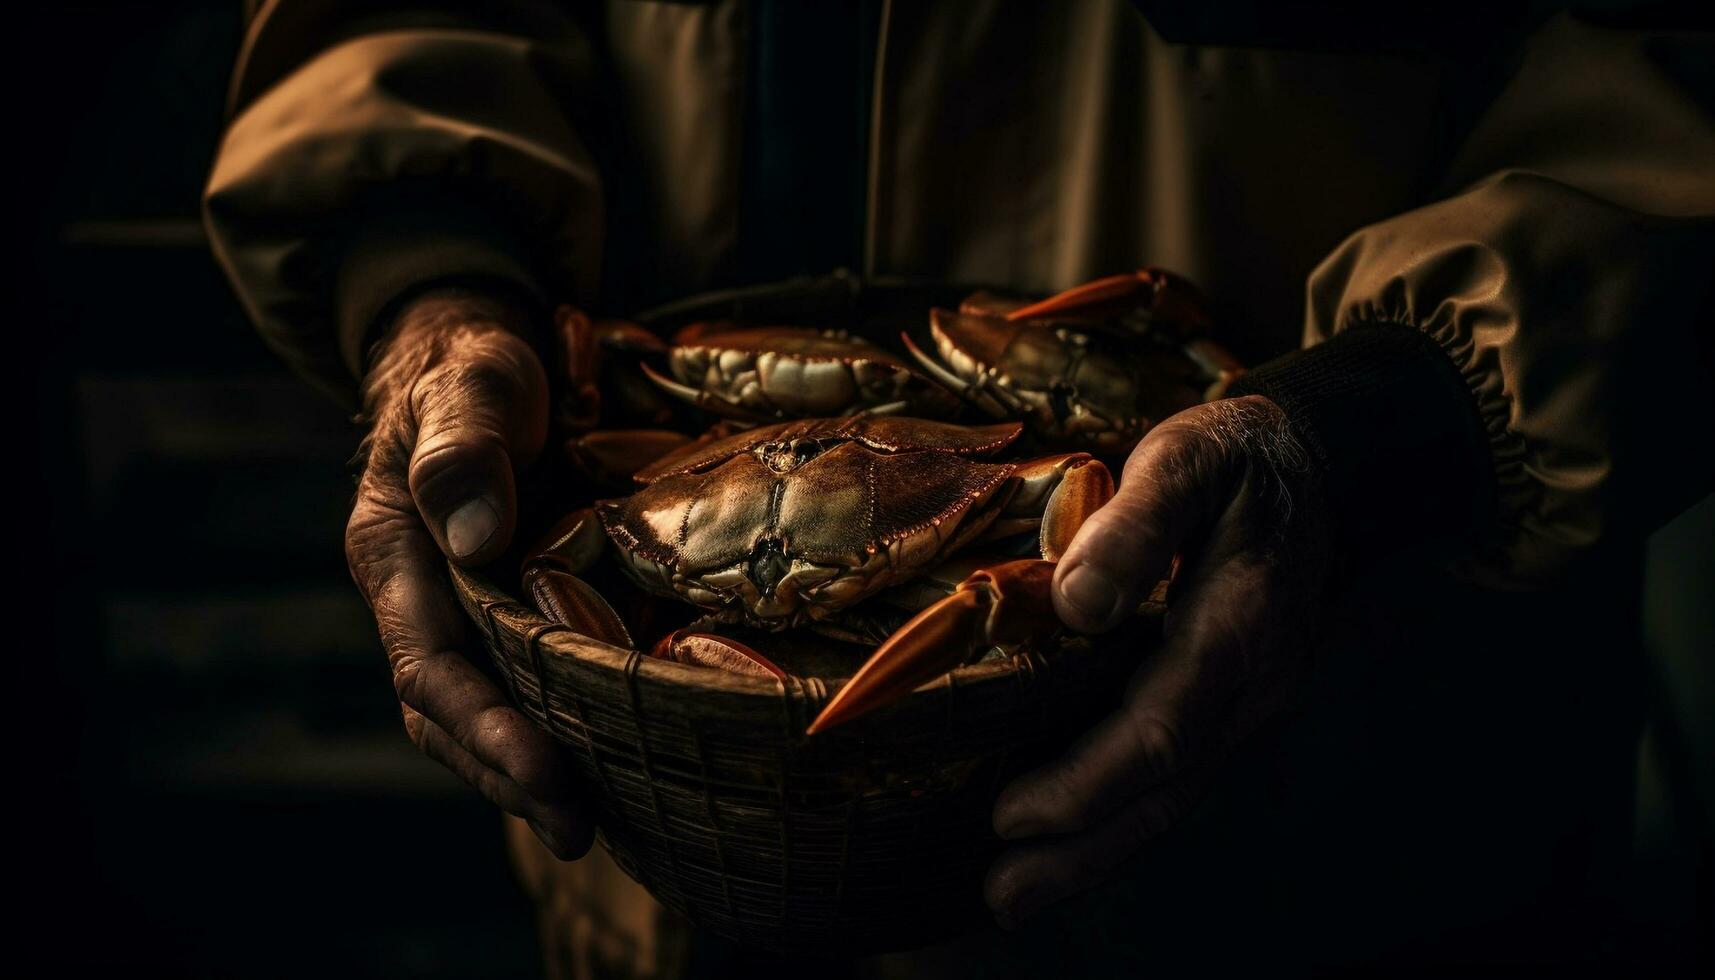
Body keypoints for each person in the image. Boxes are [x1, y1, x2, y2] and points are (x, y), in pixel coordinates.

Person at [204, 2, 1713, 975]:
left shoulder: (1021, 498)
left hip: (1338, 830)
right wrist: (436, 299)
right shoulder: (601, 503)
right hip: (654, 864)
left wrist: (1396, 422)